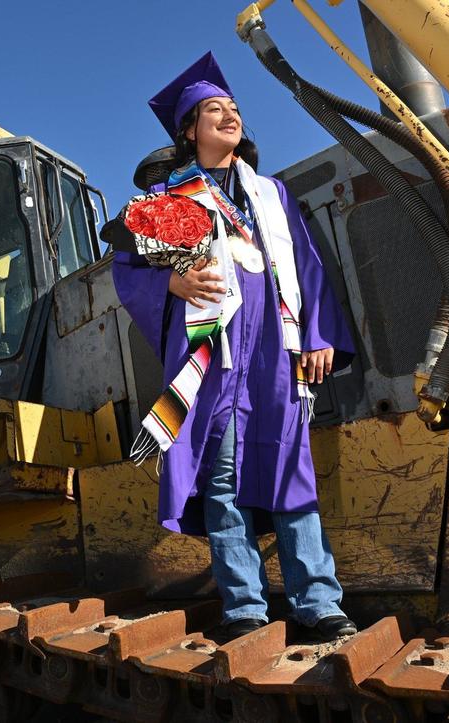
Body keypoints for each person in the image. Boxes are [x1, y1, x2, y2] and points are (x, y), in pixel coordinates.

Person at [113, 52, 358, 642]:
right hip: (213, 355)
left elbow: (308, 265)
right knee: (221, 480)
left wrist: (320, 335)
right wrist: (171, 281)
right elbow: (126, 270)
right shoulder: (167, 200)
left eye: (235, 109)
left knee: (291, 472)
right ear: (189, 130)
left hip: (276, 351)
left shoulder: (272, 194)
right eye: (213, 110)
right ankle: (245, 607)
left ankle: (317, 602)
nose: (230, 116)